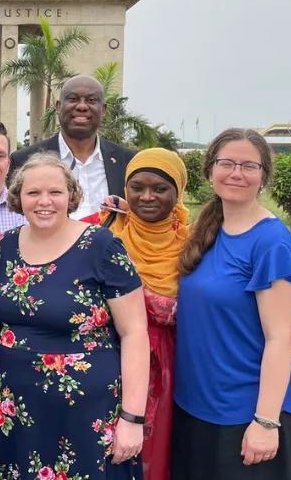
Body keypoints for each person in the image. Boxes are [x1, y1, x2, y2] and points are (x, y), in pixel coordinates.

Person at [0, 153, 149, 478]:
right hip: (16, 412)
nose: (45, 201)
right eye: (33, 193)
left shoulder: (102, 246)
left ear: (71, 196)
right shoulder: (2, 248)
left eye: (55, 192)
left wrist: (132, 419)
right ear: (18, 198)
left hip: (86, 413)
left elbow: (135, 333)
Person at [172, 128, 291, 480]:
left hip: (244, 415)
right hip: (195, 405)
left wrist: (266, 422)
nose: (236, 173)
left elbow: (281, 339)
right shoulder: (207, 228)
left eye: (249, 166)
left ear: (264, 176)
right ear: (210, 170)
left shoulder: (271, 243)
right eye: (227, 163)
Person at [100, 147, 189, 480]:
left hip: (172, 367)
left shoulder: (194, 244)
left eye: (160, 188)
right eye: (137, 187)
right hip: (112, 362)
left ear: (177, 192)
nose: (147, 196)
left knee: (158, 455)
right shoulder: (104, 233)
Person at [9, 75, 136, 220]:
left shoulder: (127, 161)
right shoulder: (23, 160)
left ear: (104, 110)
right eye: (73, 99)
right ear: (58, 106)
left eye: (91, 100)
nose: (82, 106)